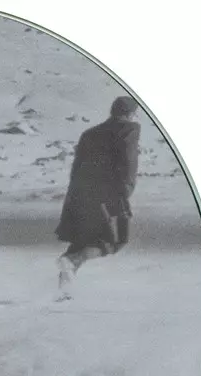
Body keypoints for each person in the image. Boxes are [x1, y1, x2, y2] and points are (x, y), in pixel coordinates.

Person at [55, 96, 141, 299]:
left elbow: (76, 168)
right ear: (130, 113)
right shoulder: (128, 130)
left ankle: (64, 289)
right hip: (109, 195)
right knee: (113, 242)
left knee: (83, 240)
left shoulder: (90, 133)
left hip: (80, 194)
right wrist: (126, 190)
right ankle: (72, 262)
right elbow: (128, 162)